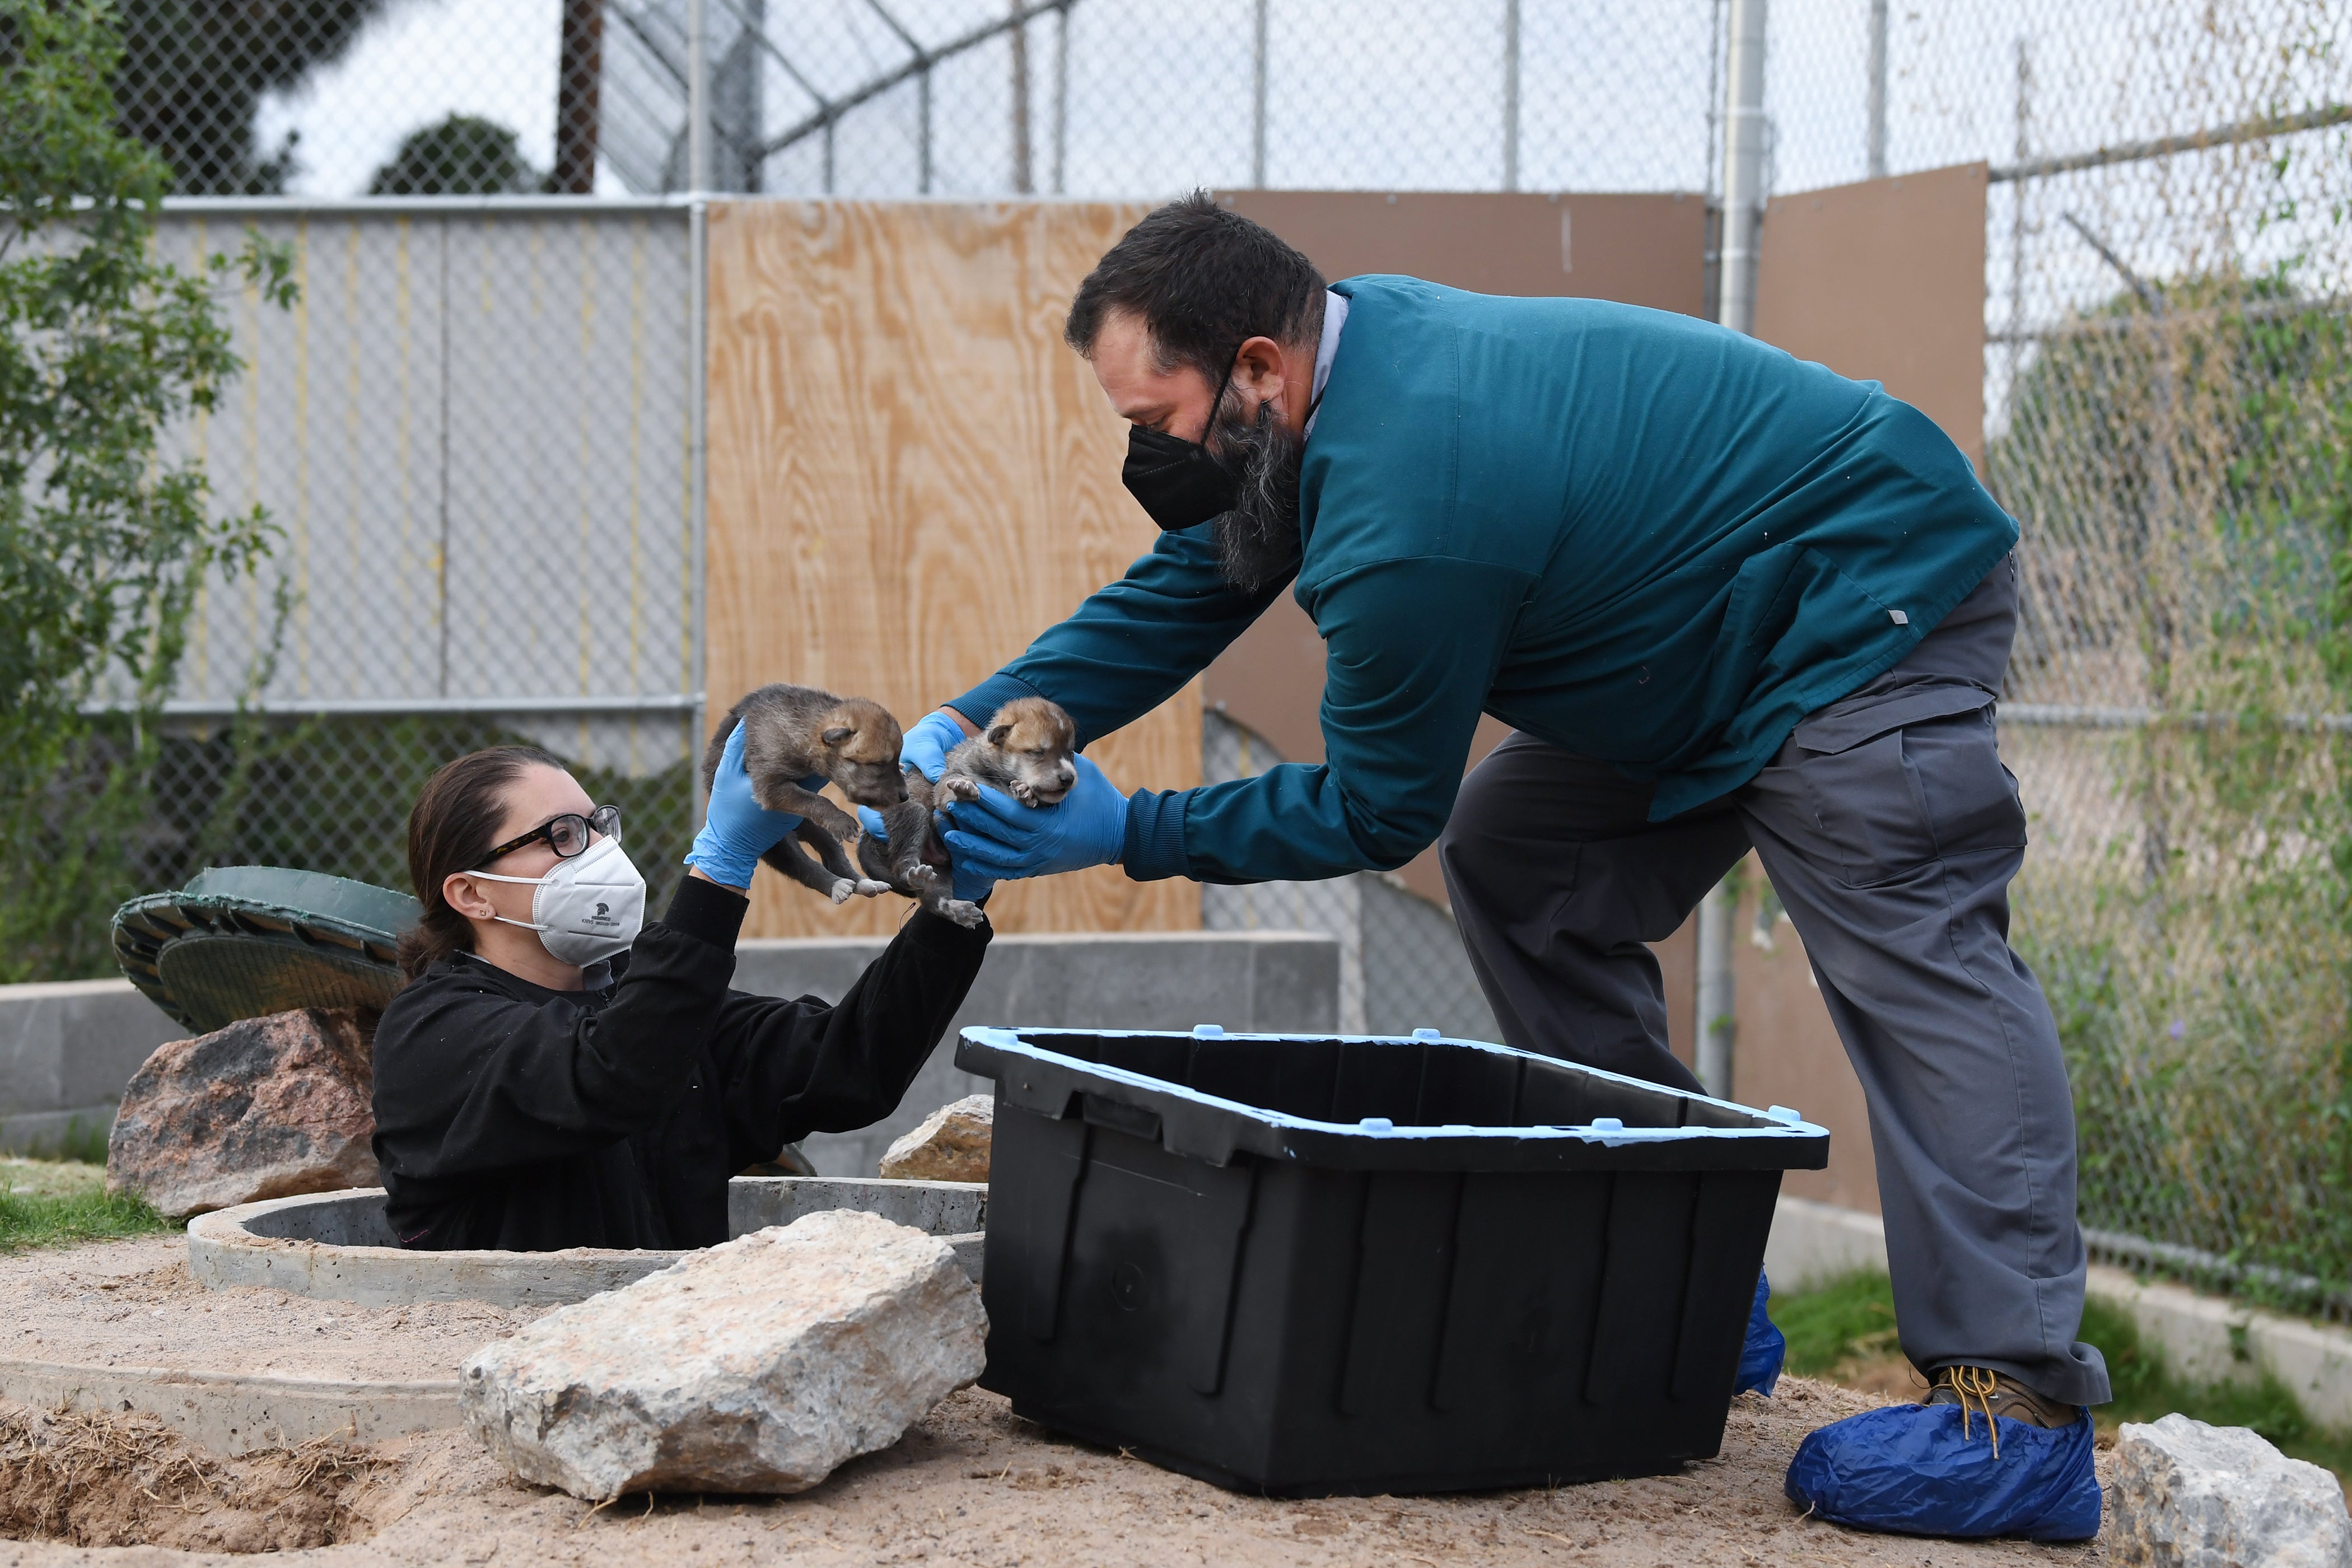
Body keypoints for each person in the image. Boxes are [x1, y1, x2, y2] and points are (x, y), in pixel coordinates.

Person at [883, 194, 2106, 1539]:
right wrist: (969, 719)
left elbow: (1375, 809)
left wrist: (1127, 833)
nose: (1150, 451)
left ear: (1258, 370)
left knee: (1910, 952)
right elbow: (1190, 586)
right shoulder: (1340, 367)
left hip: (1856, 596)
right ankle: (1682, 1282)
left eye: (1155, 419)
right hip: (1703, 627)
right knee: (1522, 855)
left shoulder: (1411, 504)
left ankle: (2020, 1411)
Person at [371, 730, 989, 1252]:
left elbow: (853, 1064)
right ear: (471, 893)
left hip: (669, 1375)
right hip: (498, 1375)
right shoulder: (431, 1032)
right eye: (561, 835)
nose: (596, 851)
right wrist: (719, 868)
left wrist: (954, 897)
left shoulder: (648, 1011)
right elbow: (615, 1072)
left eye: (596, 826)